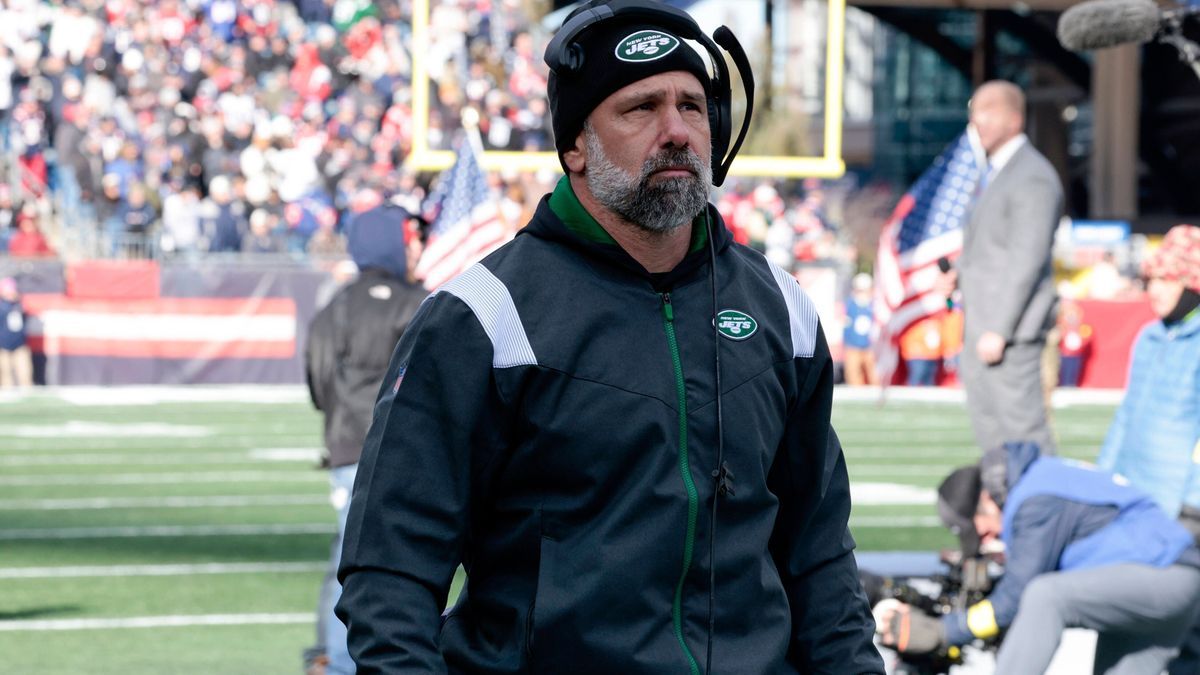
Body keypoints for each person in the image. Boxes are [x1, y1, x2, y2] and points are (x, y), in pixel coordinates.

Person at [335, 3, 883, 673]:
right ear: (575, 145)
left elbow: (819, 553)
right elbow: (390, 571)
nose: (677, 131)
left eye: (690, 105)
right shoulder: (483, 316)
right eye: (640, 108)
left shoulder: (780, 308)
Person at [878, 442, 1200, 674]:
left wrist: (945, 631)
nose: (987, 539)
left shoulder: (1034, 500)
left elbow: (1017, 597)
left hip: (1165, 577)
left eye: (979, 531)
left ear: (988, 500)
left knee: (1046, 596)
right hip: (1160, 586)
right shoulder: (1040, 479)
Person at [304, 203, 428, 675]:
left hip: (345, 445)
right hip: (402, 451)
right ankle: (347, 661)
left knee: (346, 554)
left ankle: (335, 656)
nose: (416, 248)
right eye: (410, 238)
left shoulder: (334, 304)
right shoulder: (418, 302)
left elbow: (317, 382)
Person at [935, 80, 1063, 453]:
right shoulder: (994, 173)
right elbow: (994, 248)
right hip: (981, 326)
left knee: (1024, 435)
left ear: (1015, 119)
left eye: (989, 111)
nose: (978, 121)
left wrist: (999, 329)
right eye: (975, 111)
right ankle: (1003, 508)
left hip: (1008, 332)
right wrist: (959, 272)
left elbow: (1028, 257)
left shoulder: (1033, 176)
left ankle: (1041, 510)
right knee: (991, 438)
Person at [1095, 223, 1200, 675]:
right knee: (1120, 613)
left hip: (1183, 513)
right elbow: (1126, 416)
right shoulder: (1149, 337)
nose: (1154, 289)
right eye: (1151, 279)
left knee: (1184, 633)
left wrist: (1193, 505)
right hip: (1136, 504)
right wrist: (1102, 482)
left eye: (1166, 279)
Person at [842, 272, 879, 386]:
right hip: (853, 346)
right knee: (853, 373)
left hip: (871, 346)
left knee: (874, 374)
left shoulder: (875, 305)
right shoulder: (849, 304)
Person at [0, 277, 33, 388]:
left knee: (25, 373)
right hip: (3, 345)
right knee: (6, 374)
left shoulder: (20, 305)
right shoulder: (2, 307)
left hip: (20, 344)